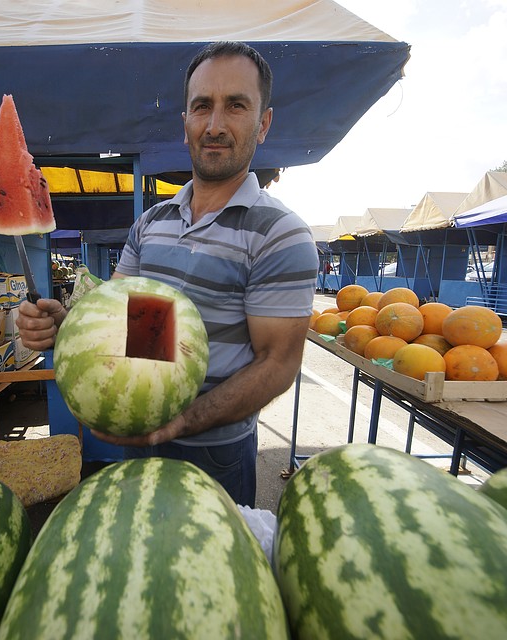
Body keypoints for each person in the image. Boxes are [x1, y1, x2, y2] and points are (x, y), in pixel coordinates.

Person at [16, 41, 318, 506]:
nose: (215, 125)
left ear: (263, 124)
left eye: (235, 106)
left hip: (215, 454)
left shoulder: (280, 234)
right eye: (202, 107)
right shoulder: (151, 223)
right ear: (186, 124)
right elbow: (114, 320)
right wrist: (63, 324)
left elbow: (278, 364)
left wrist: (184, 420)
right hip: (136, 440)